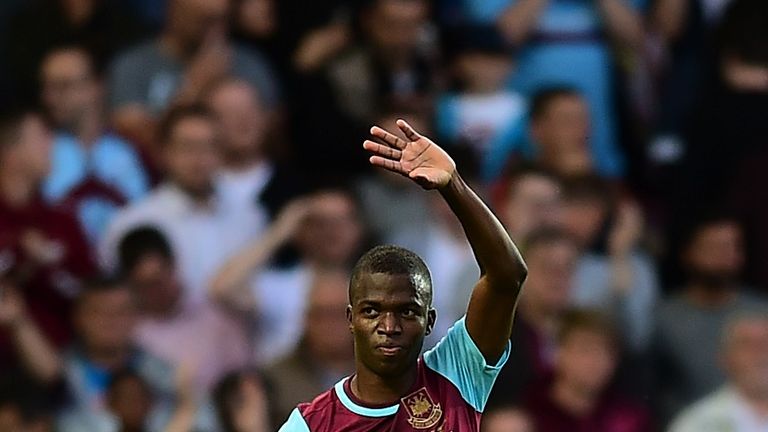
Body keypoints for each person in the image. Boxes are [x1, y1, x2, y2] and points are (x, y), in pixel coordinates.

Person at [278, 119, 527, 430]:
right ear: (350, 318)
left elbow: (507, 278)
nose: (389, 326)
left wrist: (453, 186)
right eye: (372, 311)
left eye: (407, 312)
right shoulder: (310, 424)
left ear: (430, 322)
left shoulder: (455, 373)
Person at [101, 105, 262, 305]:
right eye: (187, 147)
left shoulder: (249, 217)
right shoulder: (132, 222)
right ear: (163, 153)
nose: (199, 158)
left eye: (208, 146)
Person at [210, 188, 364, 365]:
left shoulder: (376, 287)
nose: (331, 231)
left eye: (341, 221)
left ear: (358, 228)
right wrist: (280, 231)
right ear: (300, 231)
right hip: (286, 387)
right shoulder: (279, 286)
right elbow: (221, 288)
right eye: (320, 223)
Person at [107, 0, 278, 148]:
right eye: (203, 21)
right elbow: (135, 143)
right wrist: (193, 89)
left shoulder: (249, 64)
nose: (213, 32)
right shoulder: (133, 65)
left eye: (220, 21)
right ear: (173, 8)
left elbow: (275, 140)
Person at [654, 216, 768, 422]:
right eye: (714, 247)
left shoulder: (762, 311)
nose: (725, 255)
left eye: (732, 246)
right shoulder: (663, 317)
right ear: (687, 253)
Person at [0, 109, 94, 349]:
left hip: (63, 360)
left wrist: (51, 269)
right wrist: (18, 252)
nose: (51, 145)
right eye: (41, 137)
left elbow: (90, 287)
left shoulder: (62, 219)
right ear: (11, 151)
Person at [118, 226, 250, 392]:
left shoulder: (216, 299)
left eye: (159, 280)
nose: (156, 292)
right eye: (145, 286)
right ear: (131, 284)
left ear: (173, 264)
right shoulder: (136, 338)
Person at [39, 46, 150, 244]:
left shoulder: (133, 149)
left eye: (63, 86)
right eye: (47, 87)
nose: (50, 97)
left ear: (96, 86)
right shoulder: (35, 153)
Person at [560, 176, 658, 352]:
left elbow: (637, 334)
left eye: (592, 208)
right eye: (574, 205)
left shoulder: (635, 265)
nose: (582, 217)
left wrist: (619, 255)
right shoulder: (547, 255)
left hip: (610, 361)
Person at [488, 227, 579, 406]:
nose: (558, 277)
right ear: (522, 273)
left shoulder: (588, 333)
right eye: (548, 268)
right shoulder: (493, 335)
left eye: (567, 268)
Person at [524, 309, 650, 432]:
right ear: (559, 352)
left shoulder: (629, 420)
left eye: (606, 351)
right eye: (586, 349)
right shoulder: (528, 413)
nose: (597, 361)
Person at [264, 269, 354, 423]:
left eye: (339, 313)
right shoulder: (274, 379)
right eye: (321, 314)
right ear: (306, 319)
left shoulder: (385, 375)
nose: (330, 324)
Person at [670, 310, 768, 431]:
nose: (761, 354)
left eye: (766, 342)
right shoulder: (697, 422)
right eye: (747, 344)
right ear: (724, 358)